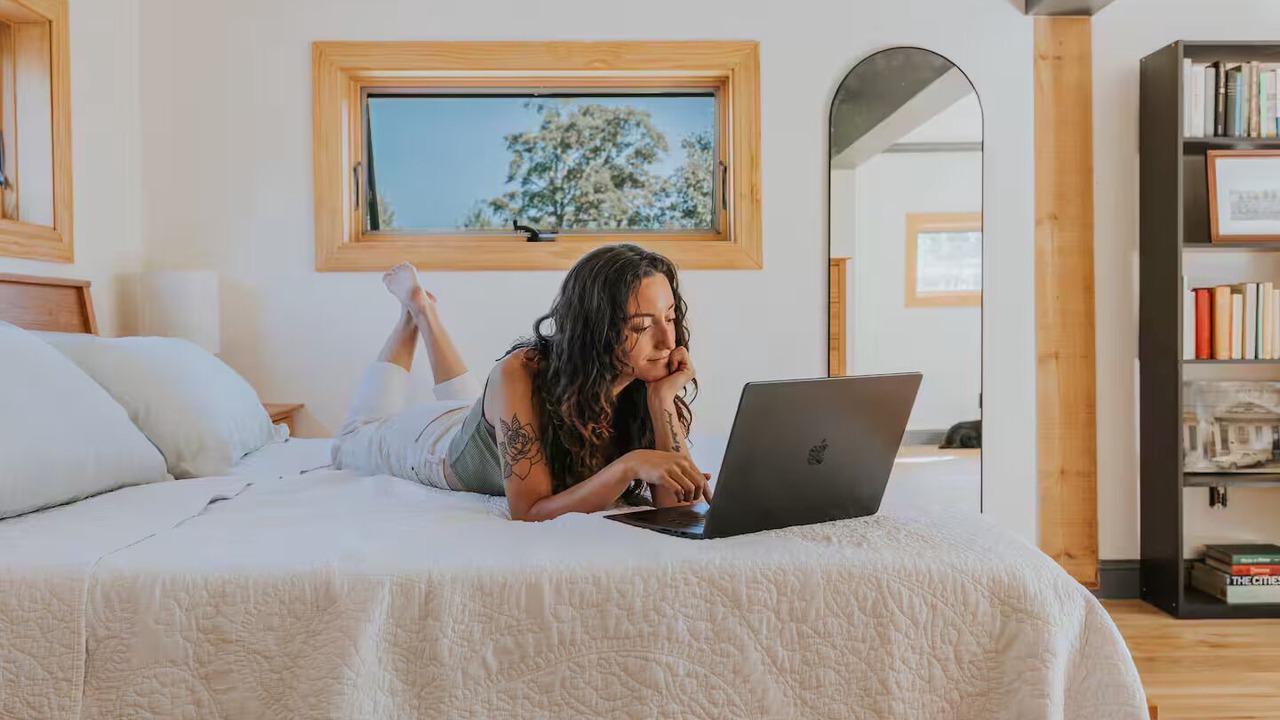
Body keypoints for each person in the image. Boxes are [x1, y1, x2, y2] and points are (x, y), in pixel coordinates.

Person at [332, 244, 712, 522]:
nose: (667, 341)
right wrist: (629, 466)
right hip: (431, 446)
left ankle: (423, 310)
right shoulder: (520, 373)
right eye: (641, 326)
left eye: (670, 316)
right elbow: (528, 512)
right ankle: (412, 314)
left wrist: (662, 399)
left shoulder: (644, 378)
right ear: (596, 331)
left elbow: (674, 505)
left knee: (469, 403)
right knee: (352, 438)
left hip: (481, 423)